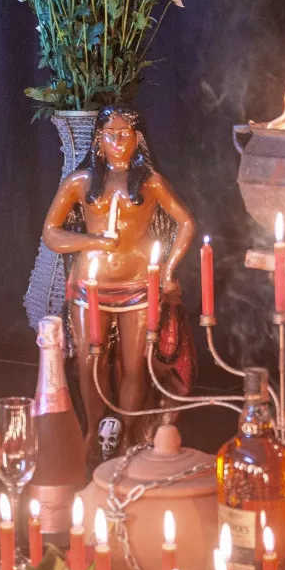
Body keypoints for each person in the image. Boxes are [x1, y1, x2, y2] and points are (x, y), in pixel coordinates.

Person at [42, 108, 197, 457]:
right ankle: (92, 430)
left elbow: (186, 222)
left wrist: (168, 270)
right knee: (88, 363)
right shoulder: (80, 182)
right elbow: (51, 232)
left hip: (137, 284)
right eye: (110, 133)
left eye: (125, 133)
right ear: (98, 138)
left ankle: (128, 432)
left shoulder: (150, 182)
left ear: (138, 138)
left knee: (134, 365)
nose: (117, 141)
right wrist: (93, 241)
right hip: (90, 284)